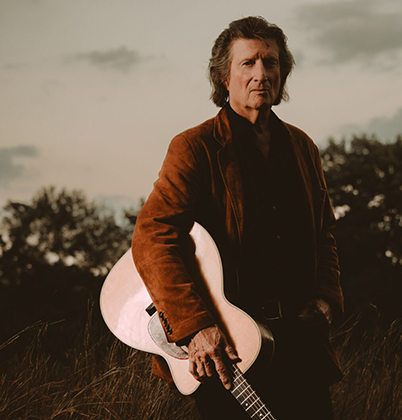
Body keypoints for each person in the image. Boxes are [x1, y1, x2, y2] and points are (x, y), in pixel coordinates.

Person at [132, 16, 343, 419]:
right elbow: (153, 235)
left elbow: (325, 232)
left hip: (301, 343)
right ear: (223, 78)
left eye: (271, 62)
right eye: (248, 63)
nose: (261, 74)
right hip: (229, 346)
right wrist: (194, 327)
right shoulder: (194, 147)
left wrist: (327, 298)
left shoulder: (303, 148)